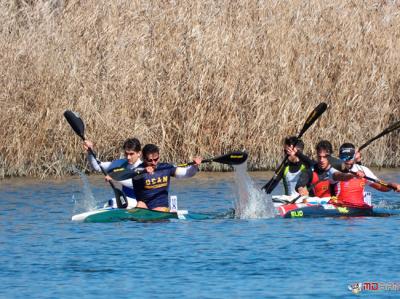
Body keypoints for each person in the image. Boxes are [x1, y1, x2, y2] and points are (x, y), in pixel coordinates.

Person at [132, 143, 202, 211]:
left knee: (158, 209)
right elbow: (133, 175)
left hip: (162, 208)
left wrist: (194, 166)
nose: (153, 163)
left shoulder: (165, 168)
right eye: (150, 160)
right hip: (145, 208)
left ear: (159, 156)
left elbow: (187, 173)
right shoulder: (138, 170)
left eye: (156, 159)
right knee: (140, 204)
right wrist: (143, 171)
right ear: (144, 158)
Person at [329, 143, 400, 208]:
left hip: (359, 209)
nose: (346, 160)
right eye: (343, 157)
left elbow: (381, 186)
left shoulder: (363, 170)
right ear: (339, 157)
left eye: (349, 157)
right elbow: (341, 176)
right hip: (339, 207)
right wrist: (353, 175)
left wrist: (393, 186)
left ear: (354, 157)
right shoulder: (334, 169)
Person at [84, 138, 142, 207]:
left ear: (139, 153)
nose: (128, 157)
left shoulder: (143, 167)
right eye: (126, 154)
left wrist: (115, 177)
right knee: (110, 203)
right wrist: (90, 152)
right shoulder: (121, 163)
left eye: (131, 154)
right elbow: (97, 166)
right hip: (125, 202)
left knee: (113, 202)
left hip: (140, 203)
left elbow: (135, 184)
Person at [295, 140, 362, 199]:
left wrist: (353, 175)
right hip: (316, 207)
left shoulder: (337, 168)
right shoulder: (310, 171)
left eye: (325, 157)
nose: (321, 160)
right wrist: (301, 189)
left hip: (336, 206)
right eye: (319, 157)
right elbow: (299, 184)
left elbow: (341, 176)